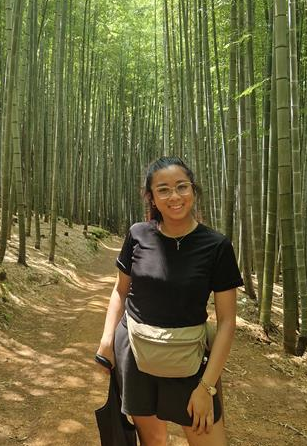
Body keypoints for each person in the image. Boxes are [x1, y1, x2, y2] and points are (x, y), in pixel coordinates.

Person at [96, 156, 243, 446]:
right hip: (135, 352)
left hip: (187, 357)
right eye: (163, 189)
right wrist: (107, 340)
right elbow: (120, 292)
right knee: (154, 440)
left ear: (193, 190)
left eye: (181, 187)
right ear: (151, 196)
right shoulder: (138, 234)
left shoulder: (216, 246)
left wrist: (206, 388)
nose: (174, 196)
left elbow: (227, 322)